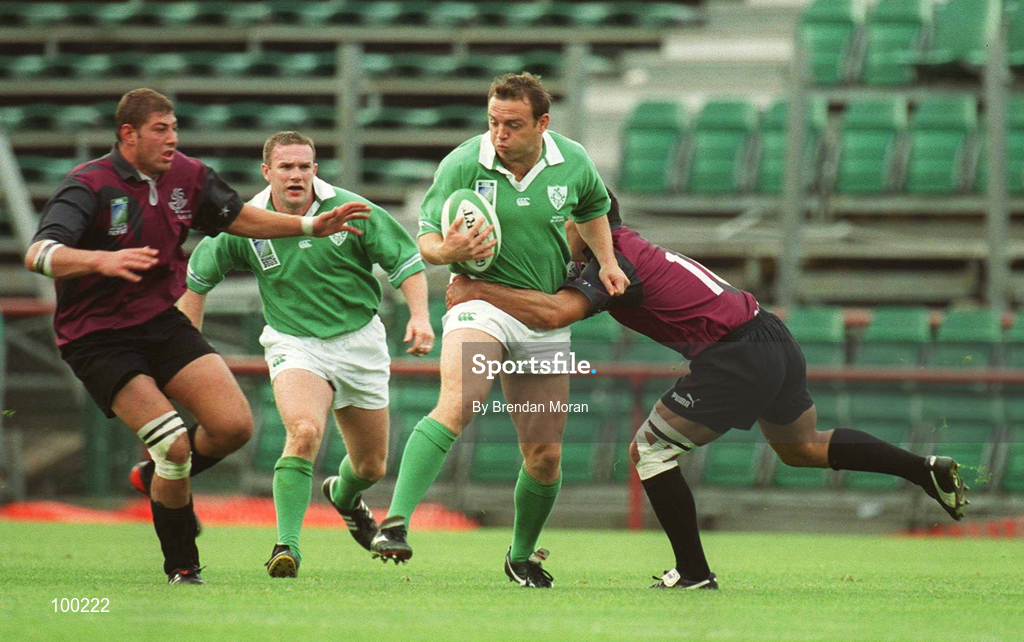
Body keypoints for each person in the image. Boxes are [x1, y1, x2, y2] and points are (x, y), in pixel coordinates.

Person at [446, 190, 969, 590]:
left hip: (736, 351)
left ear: (590, 223)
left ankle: (693, 572)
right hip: (769, 334)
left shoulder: (617, 263)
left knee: (648, 450)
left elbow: (559, 310)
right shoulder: (621, 250)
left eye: (565, 220)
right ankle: (922, 470)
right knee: (801, 448)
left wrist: (477, 288)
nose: (558, 229)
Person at [23, 89, 371, 585]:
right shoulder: (89, 185)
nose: (172, 139)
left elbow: (239, 219)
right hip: (97, 335)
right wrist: (101, 259)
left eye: (175, 128)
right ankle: (183, 567)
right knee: (173, 447)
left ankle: (153, 480)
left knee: (233, 427)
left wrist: (309, 225)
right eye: (160, 130)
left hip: (160, 321)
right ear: (128, 134)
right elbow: (38, 253)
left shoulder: (187, 175)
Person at [370, 72, 628, 588]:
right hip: (477, 302)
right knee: (460, 402)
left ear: (543, 124)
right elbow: (423, 240)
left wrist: (607, 261)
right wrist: (449, 252)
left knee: (545, 453)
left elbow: (595, 209)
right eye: (493, 122)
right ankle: (394, 522)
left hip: (541, 314)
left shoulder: (572, 160)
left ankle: (522, 555)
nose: (499, 134)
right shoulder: (465, 162)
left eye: (512, 124)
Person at [176, 131, 431, 578]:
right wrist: (186, 348)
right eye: (286, 167)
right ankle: (286, 547)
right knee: (305, 431)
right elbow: (197, 279)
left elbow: (406, 263)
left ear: (316, 169)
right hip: (295, 343)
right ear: (267, 172)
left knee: (371, 466)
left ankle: (345, 494)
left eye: (304, 166)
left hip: (359, 341)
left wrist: (421, 317)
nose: (296, 175)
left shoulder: (351, 210)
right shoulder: (247, 221)